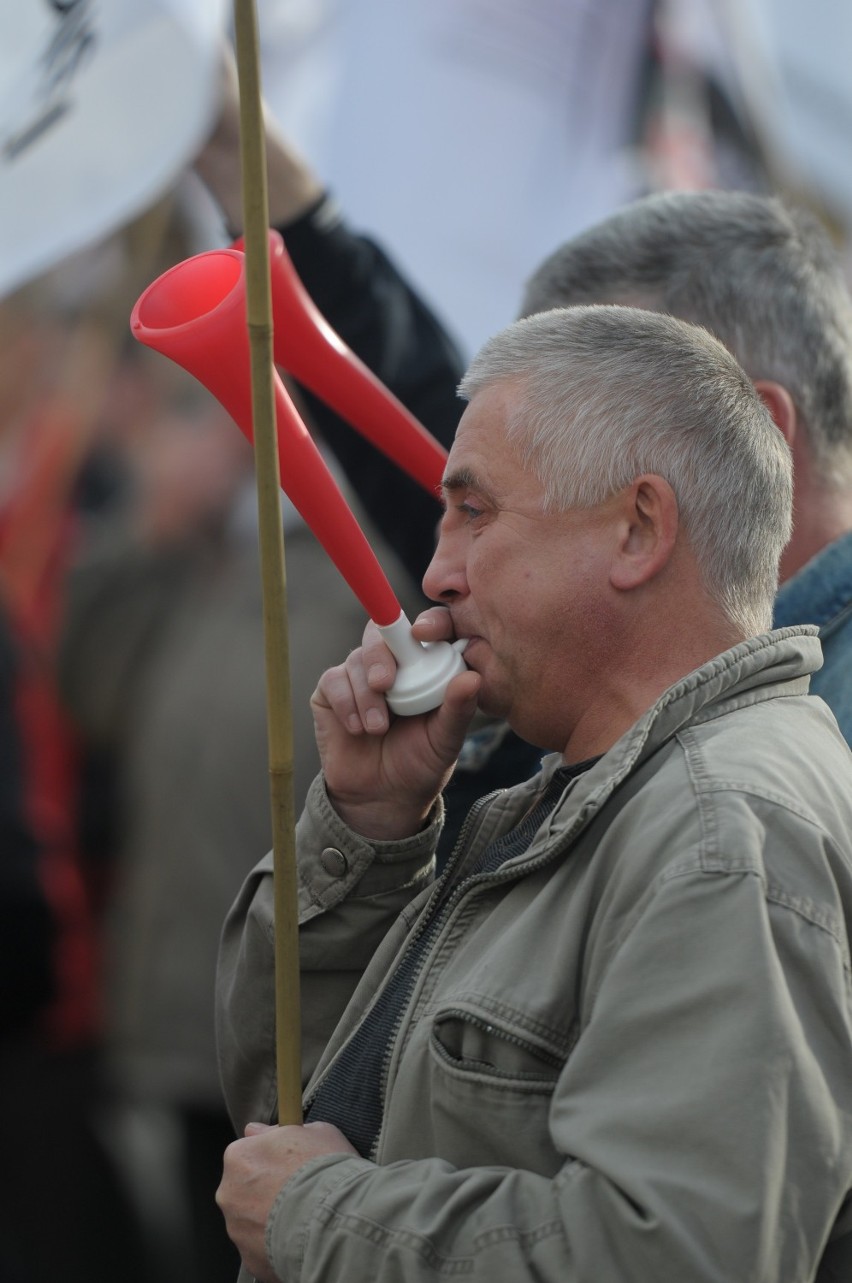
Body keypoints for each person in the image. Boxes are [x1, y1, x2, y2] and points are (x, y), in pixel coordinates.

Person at [215, 304, 852, 1283]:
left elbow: (676, 1254)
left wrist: (320, 1214)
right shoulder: (591, 792)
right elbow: (289, 1111)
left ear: (638, 529)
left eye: (475, 511)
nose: (437, 570)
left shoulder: (722, 826)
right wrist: (371, 831)